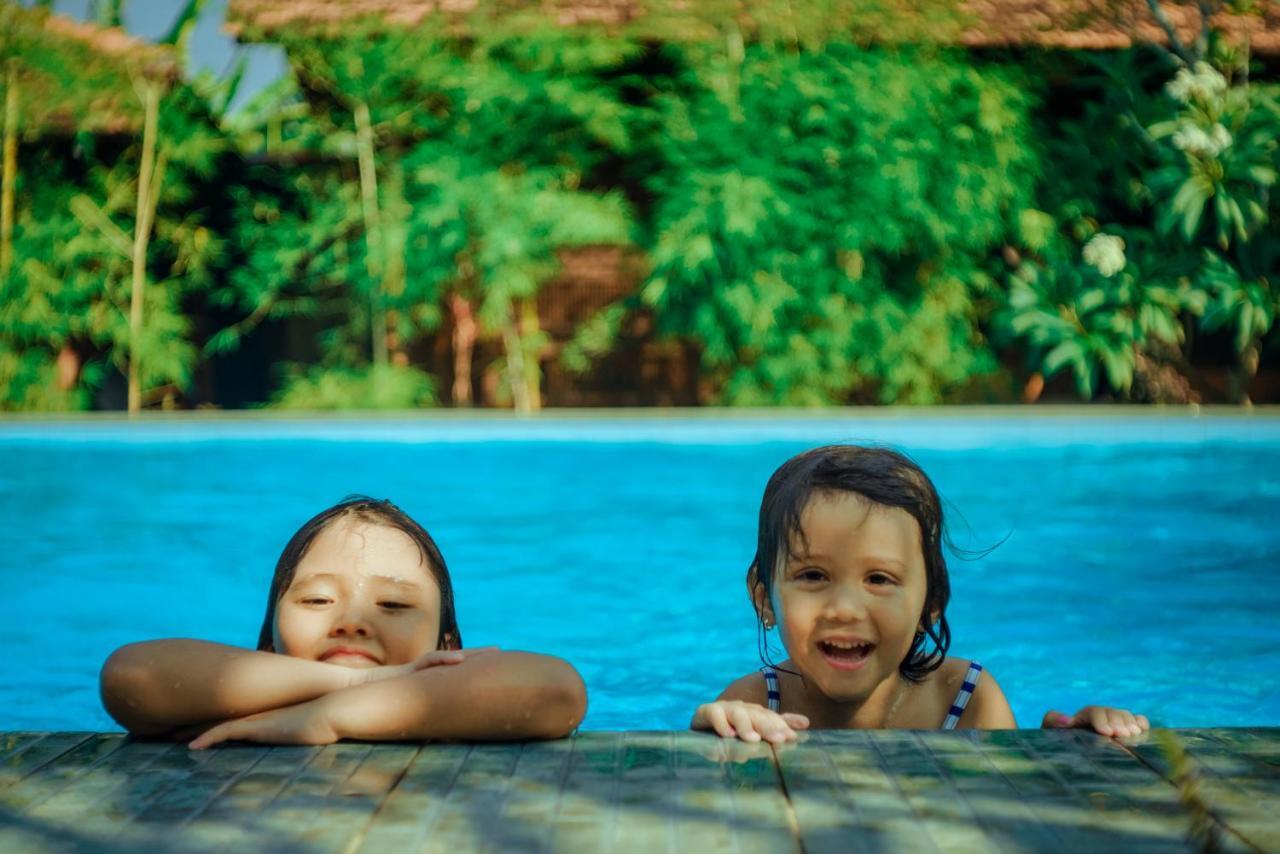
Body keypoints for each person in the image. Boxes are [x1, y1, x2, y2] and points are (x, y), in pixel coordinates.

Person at [692, 445, 1149, 743]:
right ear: (764, 597)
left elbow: (1012, 808)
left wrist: (1059, 747)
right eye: (813, 576)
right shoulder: (756, 701)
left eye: (879, 579)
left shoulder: (967, 700)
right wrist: (718, 725)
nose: (846, 609)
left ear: (930, 604)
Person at [101, 496, 586, 748]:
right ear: (267, 645)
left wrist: (327, 717)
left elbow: (559, 690)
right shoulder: (233, 699)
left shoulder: (466, 705)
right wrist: (364, 677)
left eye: (393, 605)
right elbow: (131, 676)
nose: (351, 621)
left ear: (448, 644)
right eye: (316, 600)